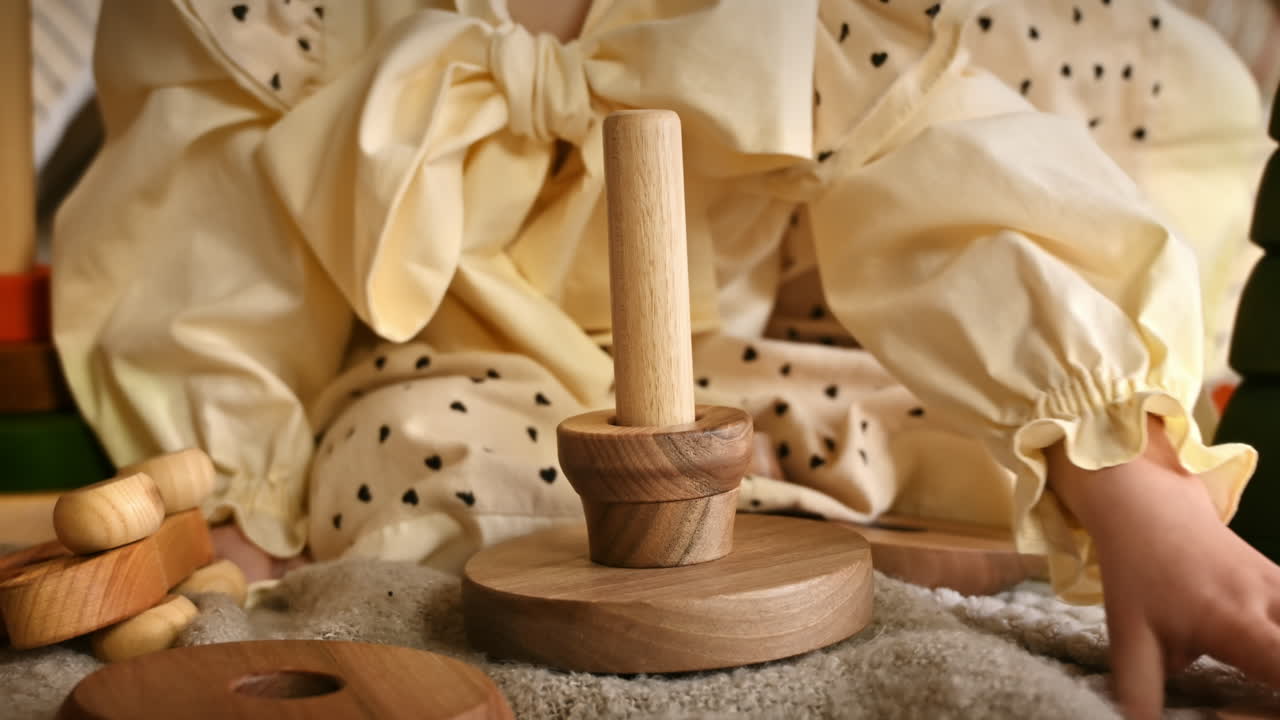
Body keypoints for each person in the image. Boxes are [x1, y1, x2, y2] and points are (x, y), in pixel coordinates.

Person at [52, 1, 1278, 716]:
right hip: (461, 373)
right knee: (416, 456)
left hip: (759, 365)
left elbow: (941, 186)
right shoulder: (282, 21)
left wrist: (1133, 484)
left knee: (943, 439)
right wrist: (240, 487)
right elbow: (222, 252)